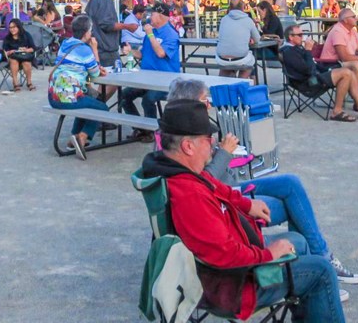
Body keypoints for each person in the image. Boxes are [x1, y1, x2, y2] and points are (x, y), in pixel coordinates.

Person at [138, 99, 346, 322]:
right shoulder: (189, 194)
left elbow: (210, 183)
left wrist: (247, 204)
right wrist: (268, 255)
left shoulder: (174, 170)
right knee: (322, 271)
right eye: (208, 140)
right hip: (231, 285)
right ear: (188, 146)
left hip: (229, 266)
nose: (214, 146)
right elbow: (224, 254)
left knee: (299, 241)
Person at [168, 77, 358, 283]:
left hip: (231, 190)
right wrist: (223, 153)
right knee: (292, 205)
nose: (209, 104)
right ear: (188, 104)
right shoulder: (182, 142)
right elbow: (202, 183)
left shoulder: (188, 130)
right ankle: (314, 273)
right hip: (226, 203)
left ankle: (319, 263)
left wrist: (220, 151)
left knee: (290, 183)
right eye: (204, 100)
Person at [280, 24, 358, 121]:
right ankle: (338, 111)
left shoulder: (296, 48)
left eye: (303, 34)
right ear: (291, 37)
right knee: (346, 73)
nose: (303, 37)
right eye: (300, 35)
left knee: (348, 72)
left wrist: (328, 70)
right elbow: (308, 70)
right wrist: (308, 51)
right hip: (309, 83)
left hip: (315, 77)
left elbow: (313, 66)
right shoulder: (288, 52)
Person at [48, 15, 107, 161]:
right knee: (102, 108)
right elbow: (95, 73)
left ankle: (72, 140)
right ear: (87, 32)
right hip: (69, 98)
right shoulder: (85, 50)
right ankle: (82, 137)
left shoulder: (65, 44)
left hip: (53, 96)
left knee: (86, 103)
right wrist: (95, 49)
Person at [120, 3, 180, 140]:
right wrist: (131, 52)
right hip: (146, 78)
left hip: (165, 80)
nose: (148, 17)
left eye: (151, 14)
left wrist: (150, 34)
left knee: (148, 99)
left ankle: (152, 132)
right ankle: (140, 128)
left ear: (161, 16)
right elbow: (143, 54)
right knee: (125, 96)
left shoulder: (171, 34)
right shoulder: (150, 33)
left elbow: (160, 53)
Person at [86, 0, 137, 69]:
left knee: (105, 81)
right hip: (105, 48)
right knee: (113, 82)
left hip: (101, 45)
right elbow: (107, 24)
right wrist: (127, 26)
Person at [214, 0, 260, 79]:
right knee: (250, 60)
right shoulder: (248, 20)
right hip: (240, 58)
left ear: (230, 8)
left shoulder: (224, 19)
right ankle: (242, 79)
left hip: (221, 58)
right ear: (243, 8)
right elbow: (257, 39)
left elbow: (220, 37)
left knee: (227, 63)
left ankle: (229, 78)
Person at [2, 19, 37, 92]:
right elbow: (4, 51)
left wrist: (26, 50)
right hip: (13, 57)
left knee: (26, 62)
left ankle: (29, 82)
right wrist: (10, 51)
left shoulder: (26, 35)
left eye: (14, 27)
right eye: (10, 28)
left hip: (24, 56)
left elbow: (33, 48)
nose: (12, 29)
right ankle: (15, 83)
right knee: (14, 61)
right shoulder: (8, 38)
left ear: (19, 27)